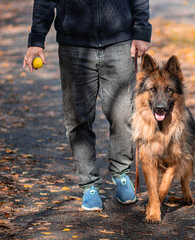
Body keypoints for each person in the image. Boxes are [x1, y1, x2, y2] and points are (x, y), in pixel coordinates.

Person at [23, 0, 152, 211]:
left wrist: (142, 30)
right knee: (78, 119)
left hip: (120, 44)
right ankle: (89, 185)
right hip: (74, 47)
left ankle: (120, 173)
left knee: (122, 115)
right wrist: (36, 39)